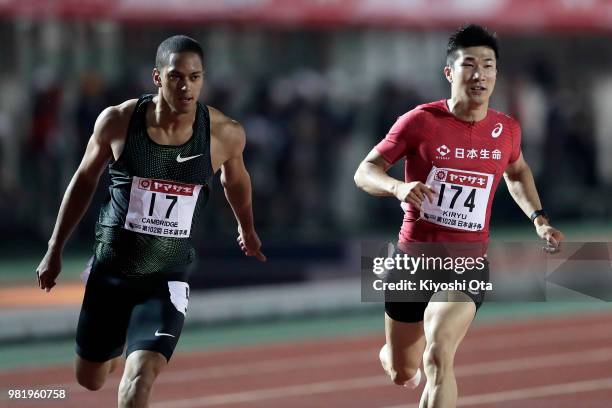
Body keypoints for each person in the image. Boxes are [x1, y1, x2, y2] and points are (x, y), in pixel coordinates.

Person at [35, 35, 266, 407]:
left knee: (139, 380)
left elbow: (236, 182)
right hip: (112, 269)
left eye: (195, 77)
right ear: (157, 78)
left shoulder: (224, 133)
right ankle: (114, 342)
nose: (186, 86)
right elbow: (83, 181)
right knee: (90, 378)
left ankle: (137, 344)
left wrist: (248, 229)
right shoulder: (118, 122)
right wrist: (54, 248)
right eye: (176, 76)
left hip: (167, 275)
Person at [354, 24, 564, 407]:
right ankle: (393, 355)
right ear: (450, 73)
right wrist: (398, 188)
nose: (480, 74)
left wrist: (539, 218)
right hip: (413, 260)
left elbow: (516, 172)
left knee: (439, 353)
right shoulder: (418, 122)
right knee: (404, 369)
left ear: (496, 74)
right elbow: (364, 171)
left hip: (467, 263)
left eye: (488, 65)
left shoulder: (506, 130)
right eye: (470, 64)